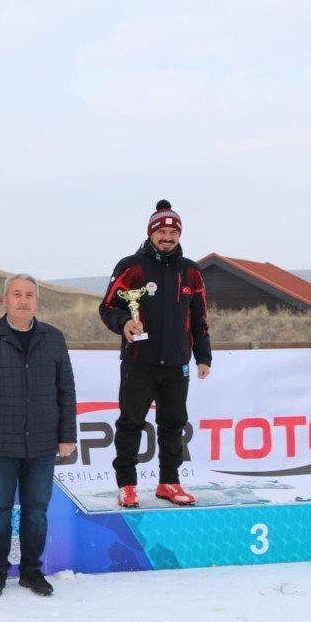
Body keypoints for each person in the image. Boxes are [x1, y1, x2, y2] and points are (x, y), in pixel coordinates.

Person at [0, 274, 77, 598]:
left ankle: (31, 571)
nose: (23, 300)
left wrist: (67, 435)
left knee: (36, 511)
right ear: (5, 299)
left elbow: (66, 390)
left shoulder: (53, 338)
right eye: (16, 294)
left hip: (41, 444)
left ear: (36, 301)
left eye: (29, 295)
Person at [99, 200, 212, 508]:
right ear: (150, 233)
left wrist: (203, 356)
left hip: (177, 364)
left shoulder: (191, 271)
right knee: (131, 423)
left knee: (174, 423)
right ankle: (127, 485)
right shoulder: (131, 266)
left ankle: (169, 482)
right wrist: (124, 323)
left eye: (172, 232)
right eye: (161, 231)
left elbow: (200, 319)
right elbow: (107, 307)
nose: (167, 237)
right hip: (139, 363)